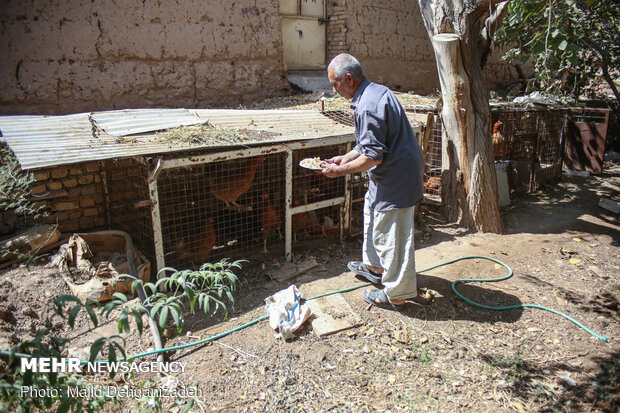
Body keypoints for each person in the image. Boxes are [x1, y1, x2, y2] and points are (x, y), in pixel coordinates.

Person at [322, 53, 425, 310]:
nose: (333, 90)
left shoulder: (368, 105)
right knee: (373, 216)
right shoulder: (373, 92)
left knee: (393, 234)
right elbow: (367, 143)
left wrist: (341, 171)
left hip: (396, 177)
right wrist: (344, 158)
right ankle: (376, 268)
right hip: (390, 173)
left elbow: (372, 156)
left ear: (349, 78)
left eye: (335, 84)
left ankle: (397, 293)